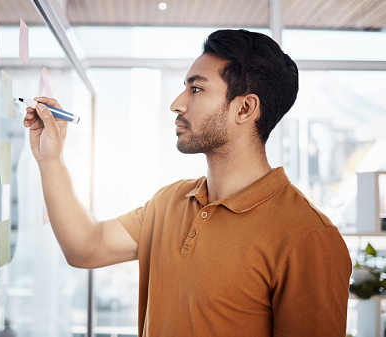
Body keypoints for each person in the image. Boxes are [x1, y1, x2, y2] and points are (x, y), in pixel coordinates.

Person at [23, 29, 351, 336]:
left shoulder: (308, 237)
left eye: (196, 89)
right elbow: (86, 247)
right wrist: (50, 159)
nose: (177, 104)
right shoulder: (170, 201)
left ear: (245, 108)